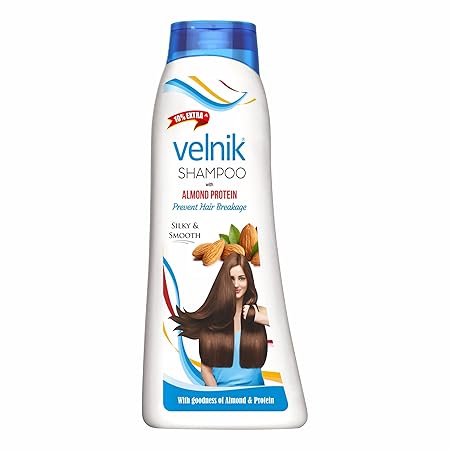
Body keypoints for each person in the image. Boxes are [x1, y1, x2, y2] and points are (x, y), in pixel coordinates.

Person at [171, 252, 269, 387]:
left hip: (257, 395)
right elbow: (206, 370)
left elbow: (280, 324)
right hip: (221, 395)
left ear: (248, 281)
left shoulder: (259, 311)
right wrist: (217, 395)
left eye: (241, 278)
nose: (236, 284)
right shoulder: (213, 319)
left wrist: (256, 316)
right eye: (231, 279)